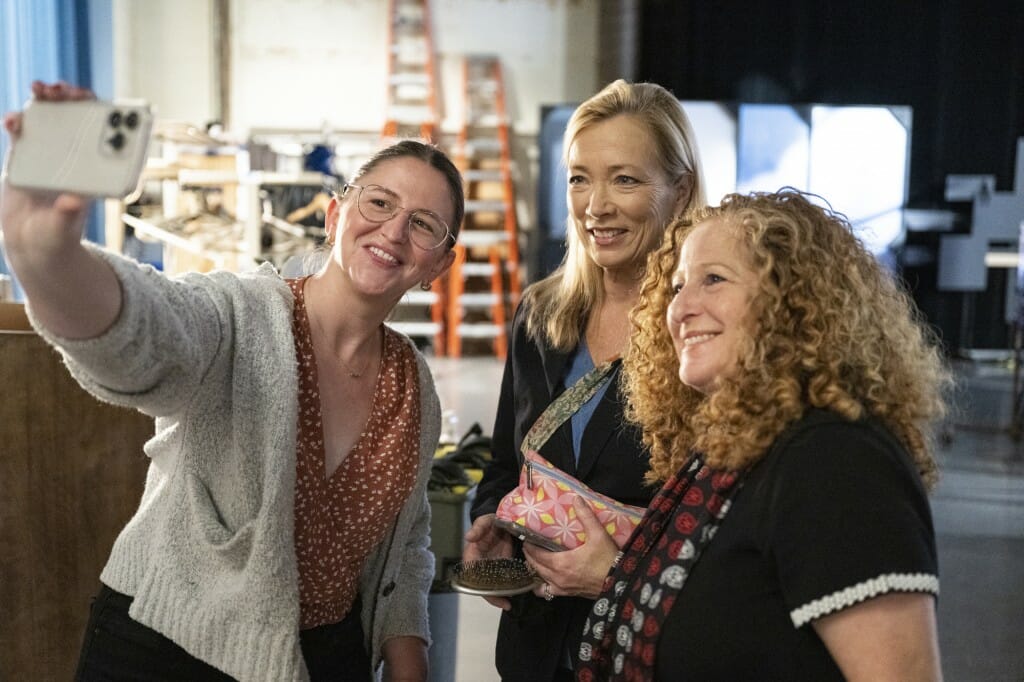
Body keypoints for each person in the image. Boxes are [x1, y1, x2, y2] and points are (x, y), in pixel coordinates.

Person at [1, 81, 462, 682]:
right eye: (379, 203)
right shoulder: (243, 316)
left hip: (322, 656)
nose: (395, 231)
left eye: (424, 224)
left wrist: (409, 652)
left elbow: (407, 536)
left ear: (439, 265)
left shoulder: (412, 386)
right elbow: (149, 333)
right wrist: (47, 258)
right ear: (335, 214)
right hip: (168, 647)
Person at [574, 189, 949, 681]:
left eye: (713, 280)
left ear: (793, 298)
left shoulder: (838, 460)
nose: (681, 308)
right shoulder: (731, 452)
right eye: (678, 285)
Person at [462, 79, 707, 682]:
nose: (595, 205)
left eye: (625, 179)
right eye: (579, 177)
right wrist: (495, 523)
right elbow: (504, 463)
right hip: (533, 650)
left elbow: (732, 526)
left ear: (679, 191)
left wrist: (620, 572)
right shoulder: (542, 316)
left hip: (647, 650)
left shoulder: (704, 329)